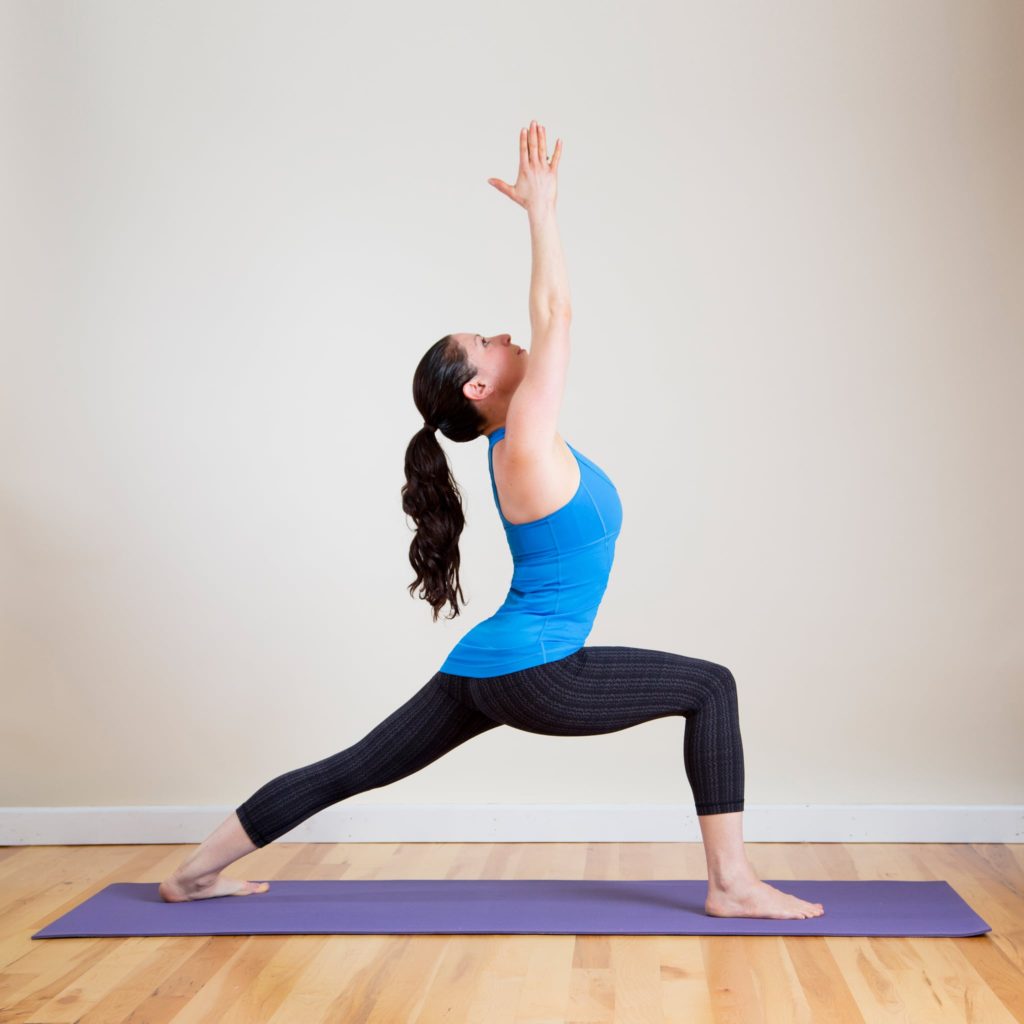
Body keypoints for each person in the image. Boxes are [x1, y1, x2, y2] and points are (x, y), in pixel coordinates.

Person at [160, 121, 824, 921]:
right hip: (538, 673)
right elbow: (558, 315)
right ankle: (730, 883)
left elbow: (545, 325)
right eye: (486, 340)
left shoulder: (520, 446)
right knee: (711, 688)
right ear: (478, 390)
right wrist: (541, 209)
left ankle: (193, 873)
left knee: (357, 766)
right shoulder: (524, 449)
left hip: (488, 666)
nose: (506, 335)